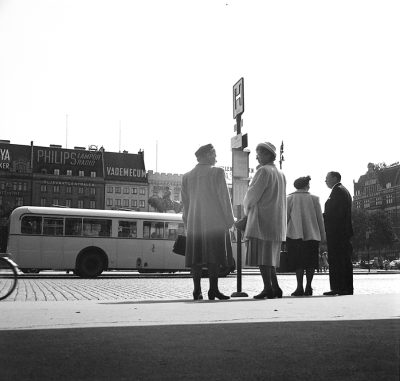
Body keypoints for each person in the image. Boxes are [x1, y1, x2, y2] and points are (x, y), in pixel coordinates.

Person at [181, 143, 234, 301]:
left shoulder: (187, 176)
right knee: (214, 257)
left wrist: (187, 223)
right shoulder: (217, 172)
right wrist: (229, 220)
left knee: (196, 258)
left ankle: (197, 291)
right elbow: (224, 198)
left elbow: (185, 203)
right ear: (206, 155)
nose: (216, 158)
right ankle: (213, 290)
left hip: (194, 223)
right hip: (215, 221)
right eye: (214, 154)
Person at [243, 142, 287, 299]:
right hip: (276, 221)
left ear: (268, 155)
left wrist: (246, 210)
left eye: (259, 153)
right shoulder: (280, 173)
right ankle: (275, 287)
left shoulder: (263, 171)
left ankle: (268, 288)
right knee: (270, 258)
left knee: (263, 257)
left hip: (262, 220)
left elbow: (252, 195)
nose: (257, 156)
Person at [286, 176, 326, 296]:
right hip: (312, 235)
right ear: (306, 185)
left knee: (298, 262)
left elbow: (286, 218)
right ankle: (309, 286)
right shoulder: (314, 199)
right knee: (310, 262)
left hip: (294, 235)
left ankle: (299, 287)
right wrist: (323, 235)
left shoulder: (290, 198)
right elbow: (320, 219)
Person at [323, 171, 354, 296]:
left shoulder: (338, 191)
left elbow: (335, 213)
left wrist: (322, 217)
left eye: (327, 178)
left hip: (337, 232)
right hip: (342, 232)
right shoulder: (343, 190)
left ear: (335, 178)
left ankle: (338, 287)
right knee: (344, 261)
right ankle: (346, 288)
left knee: (337, 260)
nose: (325, 181)